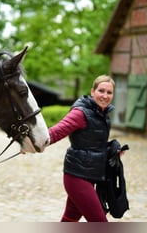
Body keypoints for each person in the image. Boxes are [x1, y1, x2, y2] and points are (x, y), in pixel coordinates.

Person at [48, 75, 115, 222]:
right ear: (92, 92)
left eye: (109, 92)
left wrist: (112, 151)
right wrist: (31, 143)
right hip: (77, 177)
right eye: (101, 91)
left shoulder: (102, 114)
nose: (105, 96)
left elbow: (93, 143)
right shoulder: (81, 113)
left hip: (90, 175)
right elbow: (56, 132)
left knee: (69, 219)